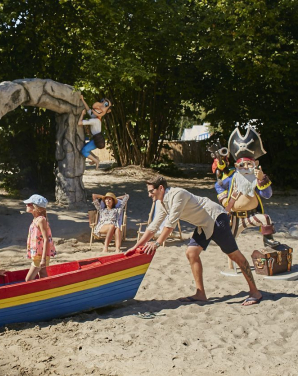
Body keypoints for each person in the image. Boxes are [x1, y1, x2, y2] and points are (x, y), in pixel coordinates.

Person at [128, 175, 263, 306]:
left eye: (151, 191)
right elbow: (153, 226)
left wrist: (157, 243)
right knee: (191, 253)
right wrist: (135, 246)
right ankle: (200, 294)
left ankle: (255, 292)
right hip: (204, 224)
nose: (149, 195)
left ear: (161, 188)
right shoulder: (162, 202)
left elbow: (170, 224)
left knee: (234, 255)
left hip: (216, 218)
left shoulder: (177, 194)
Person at [213, 125, 278, 247]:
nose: (246, 167)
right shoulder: (232, 178)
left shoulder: (256, 178)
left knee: (266, 219)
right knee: (229, 243)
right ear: (236, 166)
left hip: (252, 215)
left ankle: (268, 240)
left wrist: (261, 179)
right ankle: (231, 262)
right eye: (242, 164)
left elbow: (267, 195)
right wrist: (224, 199)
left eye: (249, 164)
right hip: (235, 217)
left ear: (256, 164)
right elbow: (219, 185)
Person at [23, 194, 57, 281]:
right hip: (38, 253)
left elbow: (46, 239)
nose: (27, 205)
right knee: (43, 275)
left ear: (36, 207)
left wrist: (43, 259)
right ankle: (48, 292)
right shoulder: (36, 219)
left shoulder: (41, 220)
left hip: (40, 255)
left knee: (28, 279)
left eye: (29, 204)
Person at [78, 95, 112, 170]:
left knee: (84, 151)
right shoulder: (96, 117)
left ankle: (96, 160)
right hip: (96, 139)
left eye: (105, 105)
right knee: (86, 147)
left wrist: (82, 114)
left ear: (107, 111)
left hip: (97, 140)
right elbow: (88, 110)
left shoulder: (95, 121)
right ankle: (96, 158)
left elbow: (79, 123)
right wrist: (83, 100)